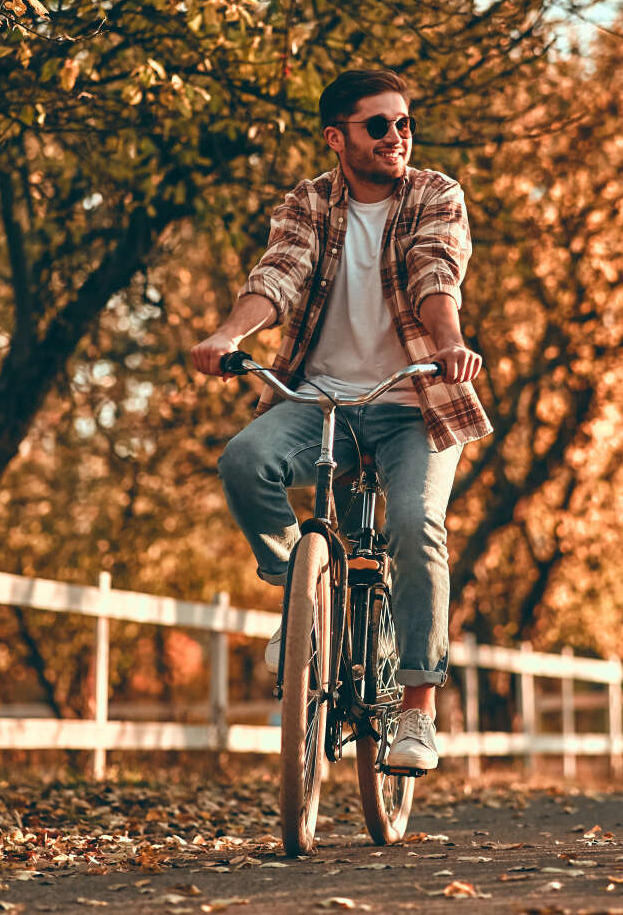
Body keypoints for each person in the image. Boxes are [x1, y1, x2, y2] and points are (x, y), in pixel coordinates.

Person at [191, 69, 490, 771]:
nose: (397, 138)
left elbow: (433, 269)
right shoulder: (310, 202)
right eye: (379, 126)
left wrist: (448, 343)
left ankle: (417, 710)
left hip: (414, 402)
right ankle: (304, 608)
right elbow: (280, 274)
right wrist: (229, 336)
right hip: (318, 401)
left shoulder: (434, 195)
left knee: (416, 525)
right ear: (337, 137)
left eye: (405, 124)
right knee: (243, 461)